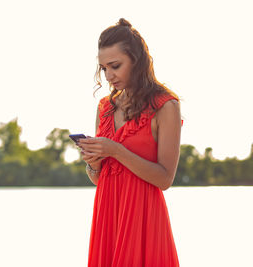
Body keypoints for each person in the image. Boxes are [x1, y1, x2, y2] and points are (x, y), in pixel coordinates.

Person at [78, 18, 181, 267]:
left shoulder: (165, 106)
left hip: (143, 217)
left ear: (137, 60)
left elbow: (165, 179)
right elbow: (98, 178)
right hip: (108, 214)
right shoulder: (104, 107)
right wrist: (93, 162)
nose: (109, 75)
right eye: (103, 68)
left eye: (115, 66)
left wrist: (116, 150)